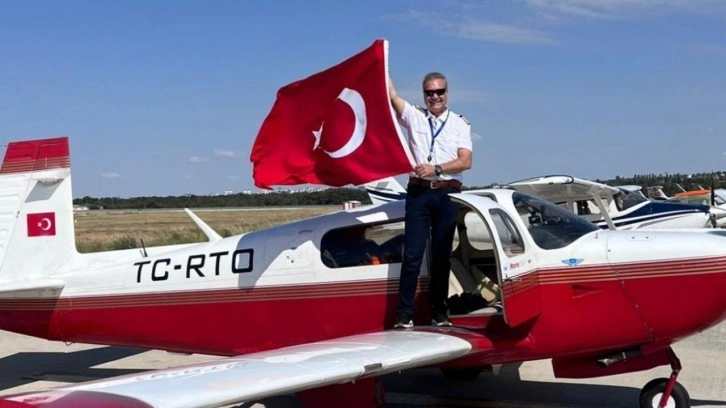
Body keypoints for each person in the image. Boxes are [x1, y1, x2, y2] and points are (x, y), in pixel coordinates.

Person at [388, 72, 473, 328]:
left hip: (447, 193)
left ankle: (439, 312)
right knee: (412, 255)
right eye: (429, 92)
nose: (434, 97)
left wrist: (435, 168)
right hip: (419, 193)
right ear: (423, 94)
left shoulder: (459, 123)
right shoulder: (414, 116)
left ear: (447, 93)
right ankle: (404, 313)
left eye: (439, 92)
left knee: (441, 255)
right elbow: (391, 96)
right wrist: (381, 63)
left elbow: (465, 161)